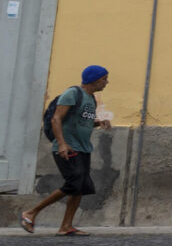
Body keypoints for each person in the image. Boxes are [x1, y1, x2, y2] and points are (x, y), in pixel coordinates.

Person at [21, 65, 111, 236]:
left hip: (83, 148)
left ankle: (66, 226)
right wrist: (62, 144)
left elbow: (81, 121)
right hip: (68, 147)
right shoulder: (72, 93)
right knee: (74, 183)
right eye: (104, 78)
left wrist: (99, 122)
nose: (107, 82)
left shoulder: (90, 98)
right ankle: (30, 213)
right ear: (93, 79)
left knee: (80, 187)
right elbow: (56, 118)